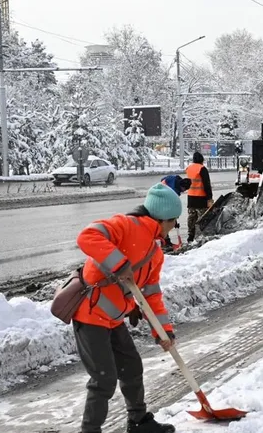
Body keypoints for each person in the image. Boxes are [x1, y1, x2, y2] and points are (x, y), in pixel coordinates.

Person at [72, 183, 179, 433]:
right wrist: (118, 263)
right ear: (164, 218)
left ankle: (138, 422)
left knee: (131, 368)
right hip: (90, 314)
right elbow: (87, 236)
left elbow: (151, 294)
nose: (174, 227)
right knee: (104, 378)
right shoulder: (125, 225)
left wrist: (164, 331)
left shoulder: (155, 251)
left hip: (113, 319)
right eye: (174, 221)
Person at [185, 152, 213, 243]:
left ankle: (190, 236)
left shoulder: (189, 168)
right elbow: (206, 185)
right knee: (202, 218)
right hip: (201, 198)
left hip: (191, 197)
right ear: (202, 160)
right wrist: (209, 198)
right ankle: (201, 237)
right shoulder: (202, 169)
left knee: (192, 217)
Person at [159, 175, 191, 252]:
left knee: (166, 221)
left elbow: (163, 179)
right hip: (161, 201)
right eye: (184, 189)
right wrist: (174, 217)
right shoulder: (173, 191)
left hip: (162, 195)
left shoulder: (176, 178)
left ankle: (166, 241)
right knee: (164, 222)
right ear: (182, 186)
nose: (183, 191)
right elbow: (171, 205)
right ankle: (164, 243)